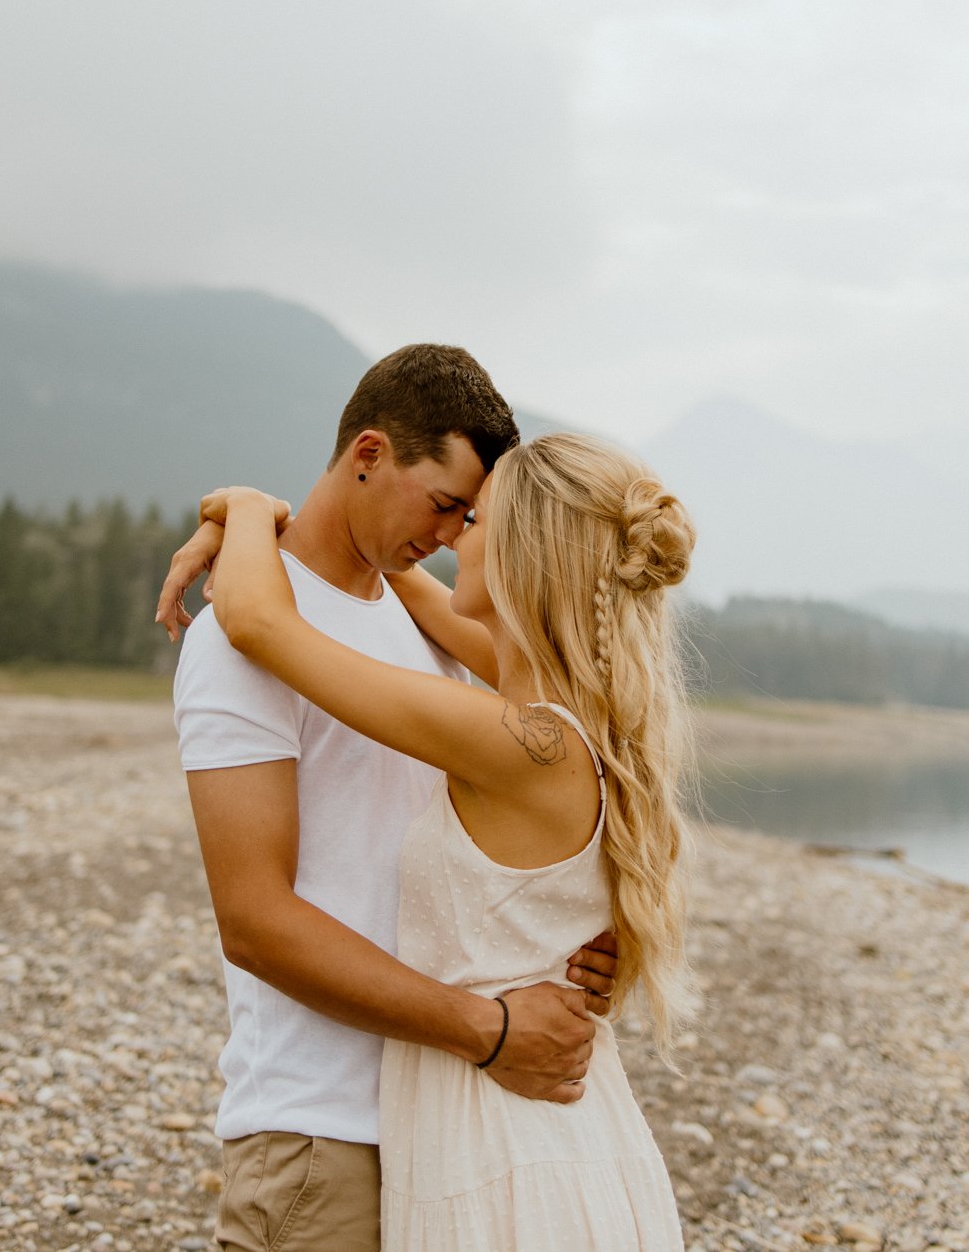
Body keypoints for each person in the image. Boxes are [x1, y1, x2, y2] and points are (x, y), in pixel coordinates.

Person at [158, 345, 622, 1252]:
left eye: (469, 515)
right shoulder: (238, 635)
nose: (453, 536)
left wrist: (588, 941)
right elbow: (253, 920)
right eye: (445, 504)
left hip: (454, 1126)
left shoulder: (429, 627)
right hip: (324, 1133)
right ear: (368, 454)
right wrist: (485, 1028)